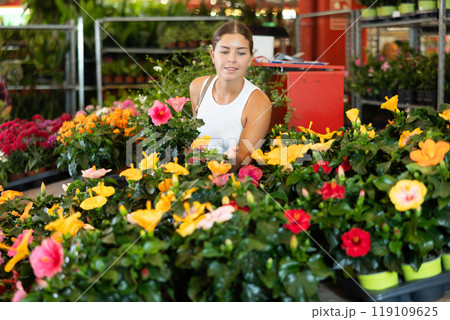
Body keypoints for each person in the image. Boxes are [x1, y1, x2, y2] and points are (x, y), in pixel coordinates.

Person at [189, 21, 272, 168]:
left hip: (231, 184)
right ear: (213, 55)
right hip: (194, 177)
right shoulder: (198, 88)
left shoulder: (258, 103)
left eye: (241, 53)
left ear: (251, 58)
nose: (232, 59)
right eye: (224, 51)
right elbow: (194, 140)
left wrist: (229, 160)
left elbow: (243, 161)